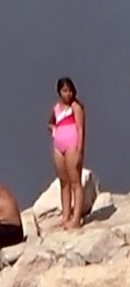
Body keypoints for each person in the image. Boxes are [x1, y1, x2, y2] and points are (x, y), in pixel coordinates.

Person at [48, 77, 87, 229]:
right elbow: (50, 122)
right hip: (58, 145)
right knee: (64, 182)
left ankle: (76, 218)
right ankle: (66, 215)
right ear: (59, 92)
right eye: (65, 91)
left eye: (70, 90)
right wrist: (54, 130)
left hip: (72, 145)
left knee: (75, 182)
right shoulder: (57, 108)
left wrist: (80, 150)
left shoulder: (76, 107)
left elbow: (81, 129)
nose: (68, 94)